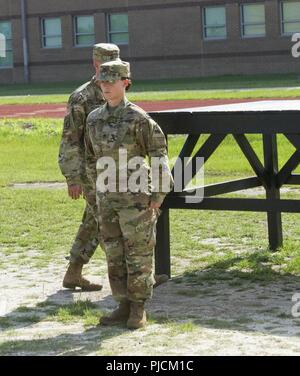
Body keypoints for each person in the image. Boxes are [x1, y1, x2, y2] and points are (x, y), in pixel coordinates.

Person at [85, 60, 174, 329]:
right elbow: (91, 158)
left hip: (136, 200)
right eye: (103, 82)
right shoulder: (94, 119)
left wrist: (157, 196)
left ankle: (138, 308)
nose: (106, 87)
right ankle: (122, 304)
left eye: (112, 82)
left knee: (138, 253)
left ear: (126, 82)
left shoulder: (139, 119)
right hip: (106, 198)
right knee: (114, 252)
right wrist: (95, 192)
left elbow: (159, 157)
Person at [58, 43, 120, 291]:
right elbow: (70, 139)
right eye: (107, 65)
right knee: (107, 221)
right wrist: (72, 177)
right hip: (89, 172)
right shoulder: (81, 98)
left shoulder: (115, 92)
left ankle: (73, 272)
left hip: (112, 169)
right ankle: (131, 277)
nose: (112, 70)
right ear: (95, 64)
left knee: (93, 221)